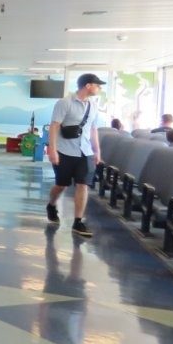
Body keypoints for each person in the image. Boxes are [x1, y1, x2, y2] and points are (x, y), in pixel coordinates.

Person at [46, 73, 104, 237]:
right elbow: (54, 126)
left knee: (82, 184)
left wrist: (97, 151)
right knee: (61, 185)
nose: (99, 88)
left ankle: (78, 222)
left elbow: (93, 129)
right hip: (65, 151)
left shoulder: (93, 106)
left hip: (85, 152)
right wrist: (53, 150)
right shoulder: (65, 103)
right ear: (88, 85)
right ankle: (51, 205)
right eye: (97, 85)